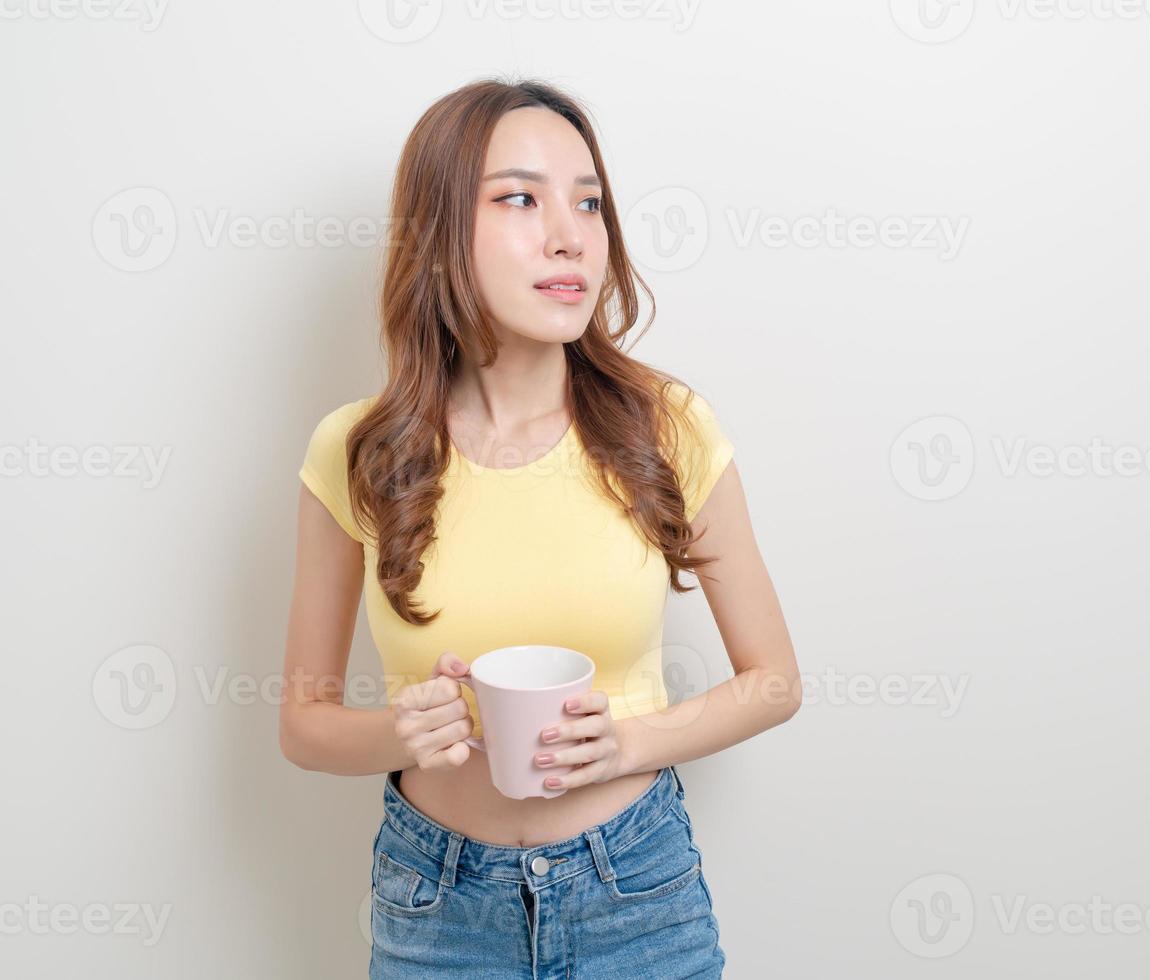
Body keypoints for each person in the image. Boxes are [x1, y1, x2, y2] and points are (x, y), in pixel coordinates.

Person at [278, 77, 801, 978]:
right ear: (439, 233)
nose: (570, 235)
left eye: (589, 202)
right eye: (520, 197)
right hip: (435, 904)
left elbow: (776, 682)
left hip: (636, 889)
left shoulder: (665, 428)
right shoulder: (356, 451)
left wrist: (628, 742)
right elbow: (301, 722)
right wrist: (399, 732)